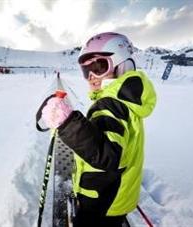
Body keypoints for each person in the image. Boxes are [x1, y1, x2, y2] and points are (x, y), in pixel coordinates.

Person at [42, 32, 157, 227]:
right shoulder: (127, 98)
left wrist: (67, 123)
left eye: (99, 66)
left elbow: (107, 156)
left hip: (101, 201)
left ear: (122, 66)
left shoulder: (110, 105)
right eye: (86, 70)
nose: (92, 77)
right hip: (118, 196)